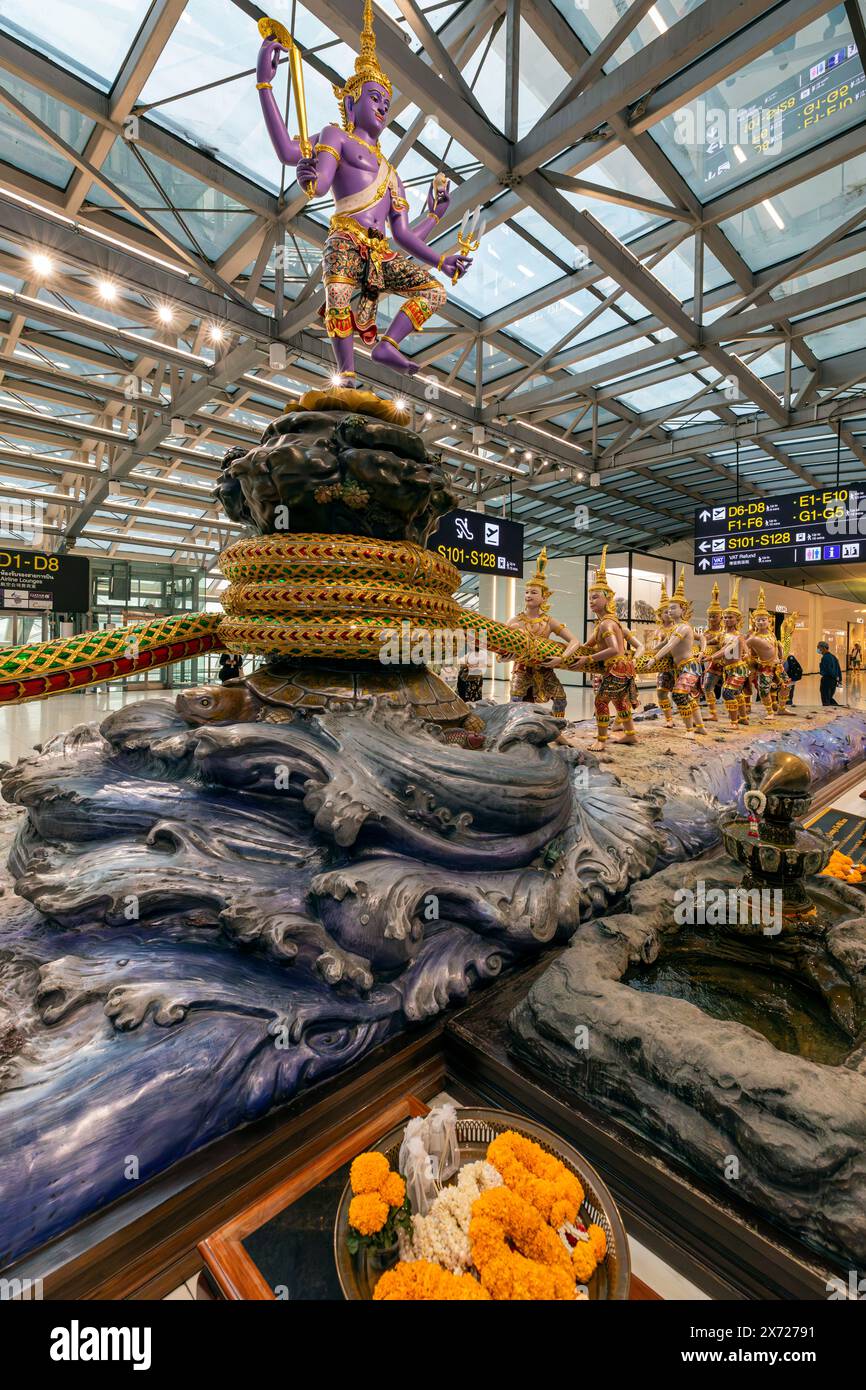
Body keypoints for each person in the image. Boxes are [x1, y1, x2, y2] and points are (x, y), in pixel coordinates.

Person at [255, 4, 471, 381]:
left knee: (435, 292)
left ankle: (388, 345)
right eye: (375, 98)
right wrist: (265, 85)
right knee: (336, 294)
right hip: (345, 239)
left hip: (381, 252)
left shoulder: (392, 173)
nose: (383, 108)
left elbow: (402, 235)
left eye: (387, 104)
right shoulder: (335, 136)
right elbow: (298, 163)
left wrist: (439, 250)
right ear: (351, 102)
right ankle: (348, 375)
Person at [571, 546, 639, 750]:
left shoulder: (608, 624)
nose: (591, 601)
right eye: (590, 597)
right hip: (621, 669)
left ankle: (601, 740)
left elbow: (615, 650)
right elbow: (587, 645)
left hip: (616, 667)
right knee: (620, 703)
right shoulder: (603, 623)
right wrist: (572, 651)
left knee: (601, 702)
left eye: (595, 597)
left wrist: (588, 660)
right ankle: (630, 735)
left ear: (608, 599)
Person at [507, 548, 583, 720]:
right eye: (527, 592)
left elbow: (574, 641)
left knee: (561, 699)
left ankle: (557, 729)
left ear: (544, 598)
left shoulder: (549, 621)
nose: (528, 595)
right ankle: (514, 728)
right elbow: (502, 647)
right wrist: (507, 656)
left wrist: (562, 658)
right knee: (516, 701)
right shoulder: (515, 621)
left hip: (544, 667)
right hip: (522, 668)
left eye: (533, 592)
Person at [650, 569, 706, 736]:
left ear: (683, 609)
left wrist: (654, 659)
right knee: (688, 697)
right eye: (668, 609)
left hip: (689, 666)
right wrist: (646, 653)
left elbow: (670, 645)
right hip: (679, 667)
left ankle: (690, 729)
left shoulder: (683, 627)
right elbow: (663, 645)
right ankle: (700, 726)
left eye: (673, 608)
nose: (670, 612)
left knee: (680, 695)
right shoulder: (673, 628)